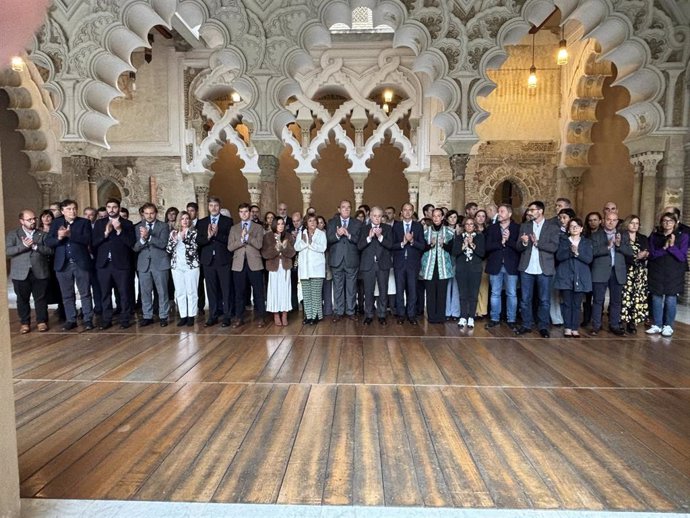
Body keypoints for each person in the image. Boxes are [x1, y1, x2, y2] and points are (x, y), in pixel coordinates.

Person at [45, 199, 95, 331]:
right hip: (62, 264)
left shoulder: (84, 222)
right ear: (62, 211)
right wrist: (59, 238)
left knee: (85, 293)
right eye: (68, 209)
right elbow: (49, 241)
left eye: (74, 208)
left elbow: (87, 240)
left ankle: (88, 319)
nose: (72, 211)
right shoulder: (56, 223)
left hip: (81, 262)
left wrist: (70, 234)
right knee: (67, 294)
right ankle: (71, 319)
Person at [515, 201, 561, 338]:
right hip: (527, 267)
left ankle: (543, 326)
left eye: (532, 210)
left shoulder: (552, 227)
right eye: (529, 210)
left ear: (540, 211)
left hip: (544, 268)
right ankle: (526, 324)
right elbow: (518, 247)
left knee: (544, 300)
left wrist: (537, 243)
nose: (529, 212)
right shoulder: (525, 226)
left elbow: (554, 247)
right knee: (525, 299)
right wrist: (524, 242)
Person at [92, 198, 137, 329]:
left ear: (119, 208)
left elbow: (131, 243)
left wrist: (119, 231)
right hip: (104, 265)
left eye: (114, 207)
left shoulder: (127, 224)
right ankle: (107, 320)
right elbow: (93, 243)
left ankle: (125, 319)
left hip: (121, 265)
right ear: (106, 208)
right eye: (109, 207)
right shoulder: (99, 224)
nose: (111, 209)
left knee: (124, 293)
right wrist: (105, 234)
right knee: (105, 293)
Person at [6, 209, 53, 333]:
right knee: (22, 299)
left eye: (34, 219)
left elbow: (50, 251)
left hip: (40, 271)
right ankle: (25, 323)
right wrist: (24, 246)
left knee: (41, 298)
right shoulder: (13, 234)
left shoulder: (42, 234)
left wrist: (36, 247)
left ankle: (42, 322)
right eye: (29, 219)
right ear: (22, 221)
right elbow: (8, 251)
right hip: (20, 273)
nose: (33, 221)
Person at [646, 212, 689, 337]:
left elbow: (682, 257)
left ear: (675, 223)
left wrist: (672, 246)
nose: (667, 223)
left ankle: (668, 325)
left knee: (671, 298)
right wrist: (664, 248)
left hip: (674, 271)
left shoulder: (683, 236)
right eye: (664, 221)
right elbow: (652, 254)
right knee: (656, 297)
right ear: (661, 222)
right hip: (657, 270)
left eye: (670, 221)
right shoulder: (655, 236)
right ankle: (657, 324)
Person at [590, 211, 632, 335]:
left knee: (616, 301)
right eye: (609, 219)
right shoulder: (596, 235)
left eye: (614, 220)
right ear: (603, 220)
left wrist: (618, 245)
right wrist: (607, 247)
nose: (611, 222)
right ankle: (596, 325)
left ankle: (614, 325)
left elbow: (629, 252)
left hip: (617, 271)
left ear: (617, 222)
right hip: (600, 271)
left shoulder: (623, 235)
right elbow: (593, 252)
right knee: (598, 300)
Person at [196, 196, 234, 327]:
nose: (213, 208)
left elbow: (230, 240)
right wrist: (208, 237)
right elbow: (198, 241)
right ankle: (213, 316)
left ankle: (227, 316)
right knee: (211, 290)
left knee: (226, 289)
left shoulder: (227, 221)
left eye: (216, 206)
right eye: (211, 205)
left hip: (223, 259)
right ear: (208, 207)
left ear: (219, 207)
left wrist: (217, 234)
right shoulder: (201, 222)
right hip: (208, 261)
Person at [228, 203, 266, 327]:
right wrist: (241, 240)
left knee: (259, 293)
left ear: (250, 213)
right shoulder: (234, 228)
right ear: (239, 213)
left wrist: (248, 237)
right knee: (239, 293)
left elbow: (259, 245)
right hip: (238, 264)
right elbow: (230, 247)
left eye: (246, 211)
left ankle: (261, 317)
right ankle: (239, 317)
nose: (244, 214)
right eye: (241, 212)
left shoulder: (258, 227)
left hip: (254, 263)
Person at [133, 203, 171, 327]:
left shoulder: (163, 226)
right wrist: (142, 240)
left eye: (152, 213)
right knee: (145, 292)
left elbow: (163, 244)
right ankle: (147, 316)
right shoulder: (137, 227)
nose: (149, 216)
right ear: (143, 214)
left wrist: (148, 237)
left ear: (156, 213)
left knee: (162, 291)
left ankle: (163, 316)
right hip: (143, 264)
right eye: (147, 213)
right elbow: (135, 248)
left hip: (160, 263)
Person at [554, 218, 593, 337]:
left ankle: (575, 327)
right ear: (568, 229)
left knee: (577, 304)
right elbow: (559, 257)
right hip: (565, 276)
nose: (574, 228)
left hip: (580, 277)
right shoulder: (564, 241)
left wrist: (577, 253)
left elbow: (588, 259)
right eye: (572, 226)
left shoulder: (586, 242)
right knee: (567, 303)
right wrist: (571, 252)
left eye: (577, 226)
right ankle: (567, 327)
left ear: (581, 229)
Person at [484, 204, 520, 329]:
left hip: (511, 265)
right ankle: (494, 318)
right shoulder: (492, 228)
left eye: (502, 211)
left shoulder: (517, 228)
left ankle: (511, 319)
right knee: (495, 293)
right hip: (495, 265)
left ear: (509, 214)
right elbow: (487, 247)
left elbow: (519, 248)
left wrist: (508, 240)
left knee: (511, 293)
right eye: (498, 211)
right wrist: (501, 242)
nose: (499, 213)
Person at [327, 200, 363, 321]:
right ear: (339, 209)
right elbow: (328, 239)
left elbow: (360, 241)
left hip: (351, 260)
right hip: (337, 260)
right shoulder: (332, 222)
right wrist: (337, 234)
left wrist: (348, 235)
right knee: (338, 287)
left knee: (351, 287)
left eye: (348, 207)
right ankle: (338, 311)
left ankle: (351, 311)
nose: (346, 209)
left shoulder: (357, 223)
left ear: (351, 209)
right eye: (343, 207)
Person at [357, 206, 393, 325]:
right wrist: (369, 237)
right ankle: (369, 315)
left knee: (383, 290)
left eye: (379, 216)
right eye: (375, 216)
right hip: (368, 265)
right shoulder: (364, 228)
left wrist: (380, 237)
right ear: (370, 216)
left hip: (383, 264)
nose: (377, 218)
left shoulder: (387, 228)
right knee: (368, 291)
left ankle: (382, 315)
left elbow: (391, 245)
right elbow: (359, 246)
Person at [391, 202, 425, 325]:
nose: (407, 212)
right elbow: (391, 245)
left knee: (412, 290)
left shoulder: (418, 227)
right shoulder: (396, 226)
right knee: (399, 290)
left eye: (410, 210)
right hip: (399, 263)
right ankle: (401, 314)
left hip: (413, 263)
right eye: (405, 210)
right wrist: (402, 243)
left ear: (413, 211)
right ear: (401, 212)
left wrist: (411, 241)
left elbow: (422, 246)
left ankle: (411, 314)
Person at [421, 208, 455, 323]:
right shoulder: (426, 232)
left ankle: (440, 317)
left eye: (438, 216)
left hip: (443, 267)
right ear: (432, 217)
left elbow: (453, 250)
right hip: (429, 267)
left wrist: (443, 245)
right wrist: (431, 244)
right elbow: (421, 248)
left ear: (442, 217)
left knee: (441, 293)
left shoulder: (450, 232)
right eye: (434, 216)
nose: (436, 218)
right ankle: (431, 317)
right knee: (430, 293)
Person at [166, 211, 199, 326]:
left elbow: (194, 249)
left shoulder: (194, 232)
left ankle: (191, 316)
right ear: (179, 221)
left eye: (187, 218)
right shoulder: (173, 233)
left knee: (191, 291)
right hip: (177, 266)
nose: (185, 221)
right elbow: (169, 250)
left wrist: (185, 239)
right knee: (180, 292)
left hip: (191, 266)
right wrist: (174, 240)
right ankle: (183, 316)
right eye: (182, 218)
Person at [261, 216, 296, 326]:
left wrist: (284, 247)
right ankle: (276, 314)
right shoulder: (268, 237)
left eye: (282, 224)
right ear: (274, 225)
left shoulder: (288, 236)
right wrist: (276, 248)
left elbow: (292, 253)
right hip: (273, 268)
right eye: (278, 224)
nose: (280, 226)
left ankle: (284, 315)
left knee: (285, 290)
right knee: (274, 291)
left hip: (285, 267)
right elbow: (265, 254)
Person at [453, 217, 485, 328]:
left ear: (475, 226)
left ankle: (471, 316)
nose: (469, 226)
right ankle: (463, 316)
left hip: (475, 269)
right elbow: (455, 252)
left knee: (473, 294)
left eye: (471, 224)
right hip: (462, 269)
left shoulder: (480, 237)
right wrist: (463, 246)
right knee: (463, 294)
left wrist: (472, 244)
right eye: (467, 224)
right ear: (464, 226)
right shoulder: (458, 237)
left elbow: (482, 253)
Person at [620, 215, 649, 334]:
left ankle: (632, 322)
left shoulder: (642, 238)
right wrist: (636, 257)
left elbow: (647, 250)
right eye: (632, 223)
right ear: (627, 224)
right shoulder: (622, 236)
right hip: (626, 270)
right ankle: (620, 321)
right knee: (624, 297)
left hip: (639, 272)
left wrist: (645, 254)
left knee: (636, 297)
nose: (634, 225)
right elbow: (621, 253)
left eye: (637, 223)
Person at [581, 211, 602, 326]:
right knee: (587, 296)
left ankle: (597, 320)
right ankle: (586, 319)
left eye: (595, 220)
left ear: (600, 221)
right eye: (590, 220)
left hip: (599, 267)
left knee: (598, 296)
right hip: (587, 267)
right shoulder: (584, 235)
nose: (592, 222)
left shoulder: (603, 235)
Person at [444, 210, 461, 320]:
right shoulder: (444, 230)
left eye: (455, 217)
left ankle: (455, 312)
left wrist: (458, 234)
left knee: (455, 286)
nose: (453, 219)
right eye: (450, 217)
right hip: (446, 259)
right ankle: (446, 312)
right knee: (446, 286)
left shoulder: (460, 231)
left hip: (457, 260)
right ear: (446, 219)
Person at [316, 216, 333, 317]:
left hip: (327, 266)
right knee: (317, 291)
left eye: (321, 222)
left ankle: (328, 311)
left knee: (327, 290)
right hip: (317, 268)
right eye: (317, 222)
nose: (319, 224)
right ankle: (318, 312)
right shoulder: (312, 235)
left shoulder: (328, 235)